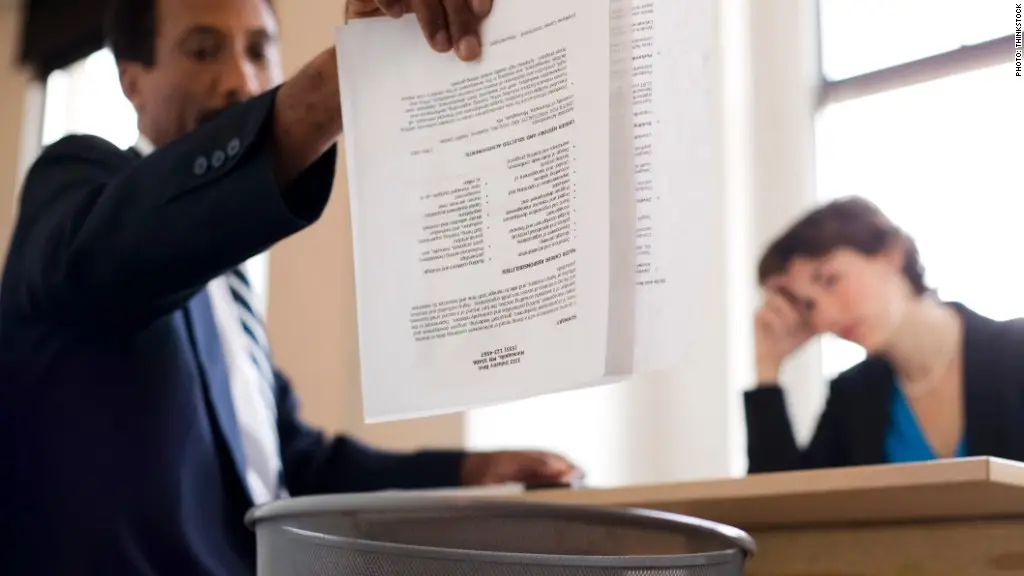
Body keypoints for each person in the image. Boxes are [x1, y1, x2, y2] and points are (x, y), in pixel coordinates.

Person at [0, 0, 582, 574]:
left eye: (259, 51)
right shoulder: (74, 178)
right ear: (132, 82)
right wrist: (341, 79)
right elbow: (110, 257)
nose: (240, 80)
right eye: (203, 50)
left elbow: (292, 465)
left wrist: (475, 473)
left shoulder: (231, 288)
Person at [744, 196, 1024, 474]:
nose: (825, 317)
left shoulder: (1015, 351)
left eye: (830, 280)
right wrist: (768, 365)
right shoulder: (853, 398)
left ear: (892, 254)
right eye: (809, 305)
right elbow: (785, 510)